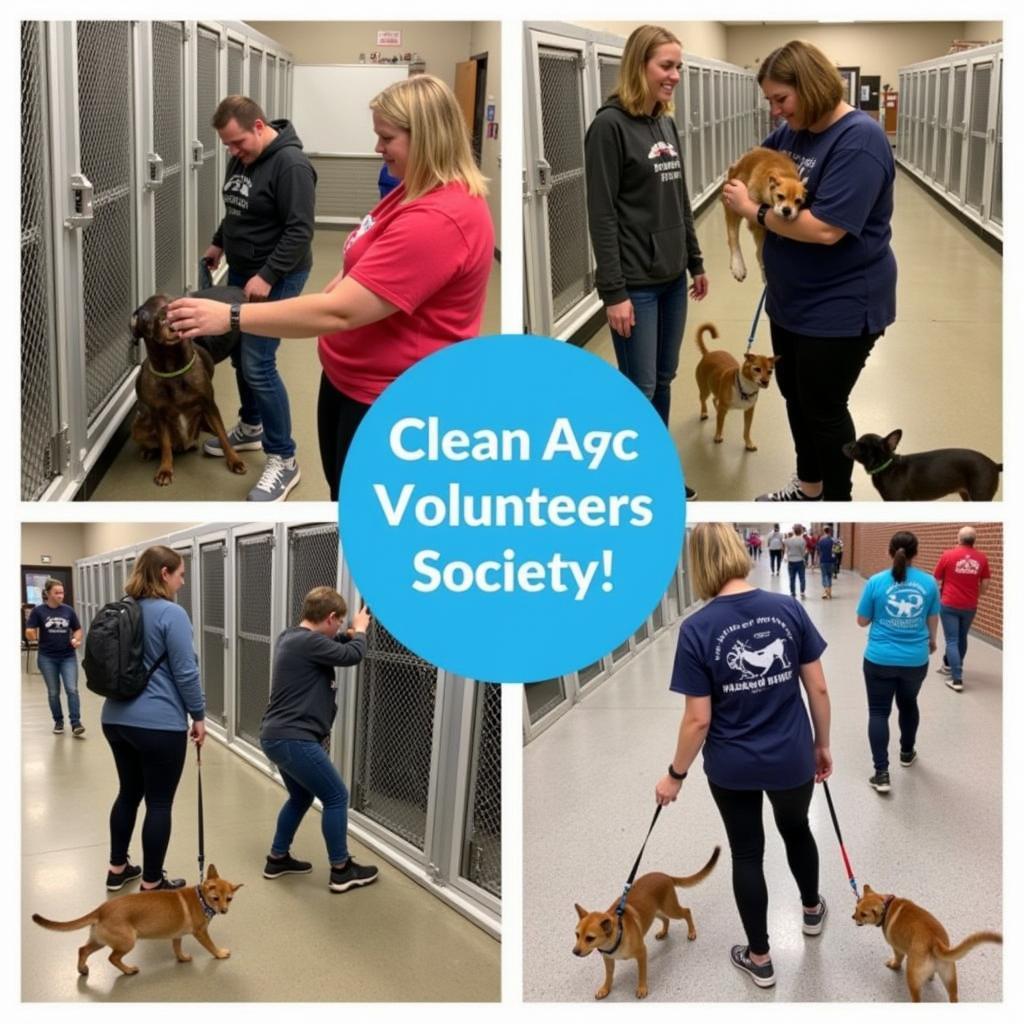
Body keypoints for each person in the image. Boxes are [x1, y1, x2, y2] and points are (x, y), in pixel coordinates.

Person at [169, 75, 494, 500]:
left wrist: (230, 316)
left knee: (364, 505)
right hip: (351, 379)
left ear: (428, 136)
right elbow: (356, 264)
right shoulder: (410, 192)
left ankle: (281, 458)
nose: (377, 148)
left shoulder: (439, 218)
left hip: (387, 397)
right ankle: (254, 427)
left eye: (386, 137)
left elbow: (340, 309)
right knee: (342, 492)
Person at [655, 523, 832, 989]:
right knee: (796, 830)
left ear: (697, 565)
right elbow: (817, 685)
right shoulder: (787, 608)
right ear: (737, 552)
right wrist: (822, 744)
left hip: (732, 765)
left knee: (747, 852)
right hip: (791, 756)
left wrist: (675, 775)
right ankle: (812, 910)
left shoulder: (696, 629)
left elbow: (698, 720)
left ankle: (760, 958)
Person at [724, 41, 896, 502]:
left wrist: (753, 211)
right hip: (790, 299)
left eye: (782, 99)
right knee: (795, 398)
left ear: (812, 85)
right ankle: (809, 487)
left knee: (824, 408)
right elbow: (754, 166)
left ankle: (838, 502)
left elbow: (826, 231)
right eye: (770, 102)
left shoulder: (859, 139)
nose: (777, 112)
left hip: (840, 305)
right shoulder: (795, 134)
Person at [583, 24, 709, 500]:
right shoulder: (608, 127)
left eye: (678, 66)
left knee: (662, 378)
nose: (675, 75)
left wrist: (694, 261)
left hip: (672, 277)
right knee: (637, 386)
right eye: (666, 66)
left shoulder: (665, 121)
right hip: (635, 284)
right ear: (640, 66)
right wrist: (613, 292)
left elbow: (678, 198)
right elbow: (602, 215)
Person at [202, 95, 317, 502]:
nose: (233, 152)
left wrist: (268, 275)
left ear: (258, 126)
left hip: (278, 276)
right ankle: (251, 425)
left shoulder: (292, 166)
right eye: (228, 146)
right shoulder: (245, 157)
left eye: (237, 143)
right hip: (243, 273)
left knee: (258, 361)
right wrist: (218, 244)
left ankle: (284, 458)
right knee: (239, 354)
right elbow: (237, 206)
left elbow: (300, 230)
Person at [259, 587, 379, 893]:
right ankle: (341, 869)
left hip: (278, 736)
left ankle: (278, 858)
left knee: (300, 797)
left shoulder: (292, 636)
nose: (339, 628)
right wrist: (362, 633)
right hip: (294, 738)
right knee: (337, 796)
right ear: (329, 618)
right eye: (338, 623)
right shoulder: (309, 643)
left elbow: (333, 644)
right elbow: (351, 655)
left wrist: (349, 633)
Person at [101, 547, 205, 891]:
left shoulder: (120, 609)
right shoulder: (171, 614)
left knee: (128, 792)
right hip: (158, 724)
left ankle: (117, 870)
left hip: (115, 718)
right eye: (180, 574)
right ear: (164, 573)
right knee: (159, 802)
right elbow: (186, 672)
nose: (182, 580)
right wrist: (199, 716)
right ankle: (151, 882)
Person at [856, 531, 939, 794]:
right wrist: (932, 641)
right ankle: (906, 752)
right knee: (908, 704)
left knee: (879, 712)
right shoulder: (928, 583)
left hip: (879, 659)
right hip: (915, 660)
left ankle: (881, 774)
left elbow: (862, 621)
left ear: (889, 552)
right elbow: (932, 618)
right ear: (916, 553)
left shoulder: (876, 582)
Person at [933, 526, 991, 693]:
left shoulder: (948, 555)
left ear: (959, 538)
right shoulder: (982, 558)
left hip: (949, 603)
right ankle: (948, 666)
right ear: (974, 540)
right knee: (961, 637)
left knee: (952, 639)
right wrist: (976, 595)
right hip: (970, 605)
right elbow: (985, 584)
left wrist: (938, 596)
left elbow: (936, 578)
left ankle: (957, 678)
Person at [26, 579, 84, 736]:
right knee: (53, 692)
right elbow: (29, 630)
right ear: (48, 594)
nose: (60, 595)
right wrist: (32, 634)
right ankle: (58, 721)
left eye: (62, 592)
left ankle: (76, 723)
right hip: (47, 658)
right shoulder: (38, 611)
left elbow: (78, 629)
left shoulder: (68, 611)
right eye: (56, 593)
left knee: (72, 689)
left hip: (68, 656)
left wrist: (77, 639)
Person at [785, 523, 808, 598]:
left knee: (792, 578)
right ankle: (802, 592)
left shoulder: (788, 540)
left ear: (794, 531)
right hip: (800, 561)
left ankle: (793, 592)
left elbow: (787, 551)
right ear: (801, 531)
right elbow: (803, 552)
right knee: (802, 577)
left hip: (791, 561)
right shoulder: (802, 541)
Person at [817, 526, 835, 599]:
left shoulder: (821, 541)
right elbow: (834, 552)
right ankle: (829, 592)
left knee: (824, 576)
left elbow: (818, 551)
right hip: (830, 561)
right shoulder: (832, 541)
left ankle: (825, 592)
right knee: (829, 576)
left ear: (824, 531)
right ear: (829, 531)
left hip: (823, 560)